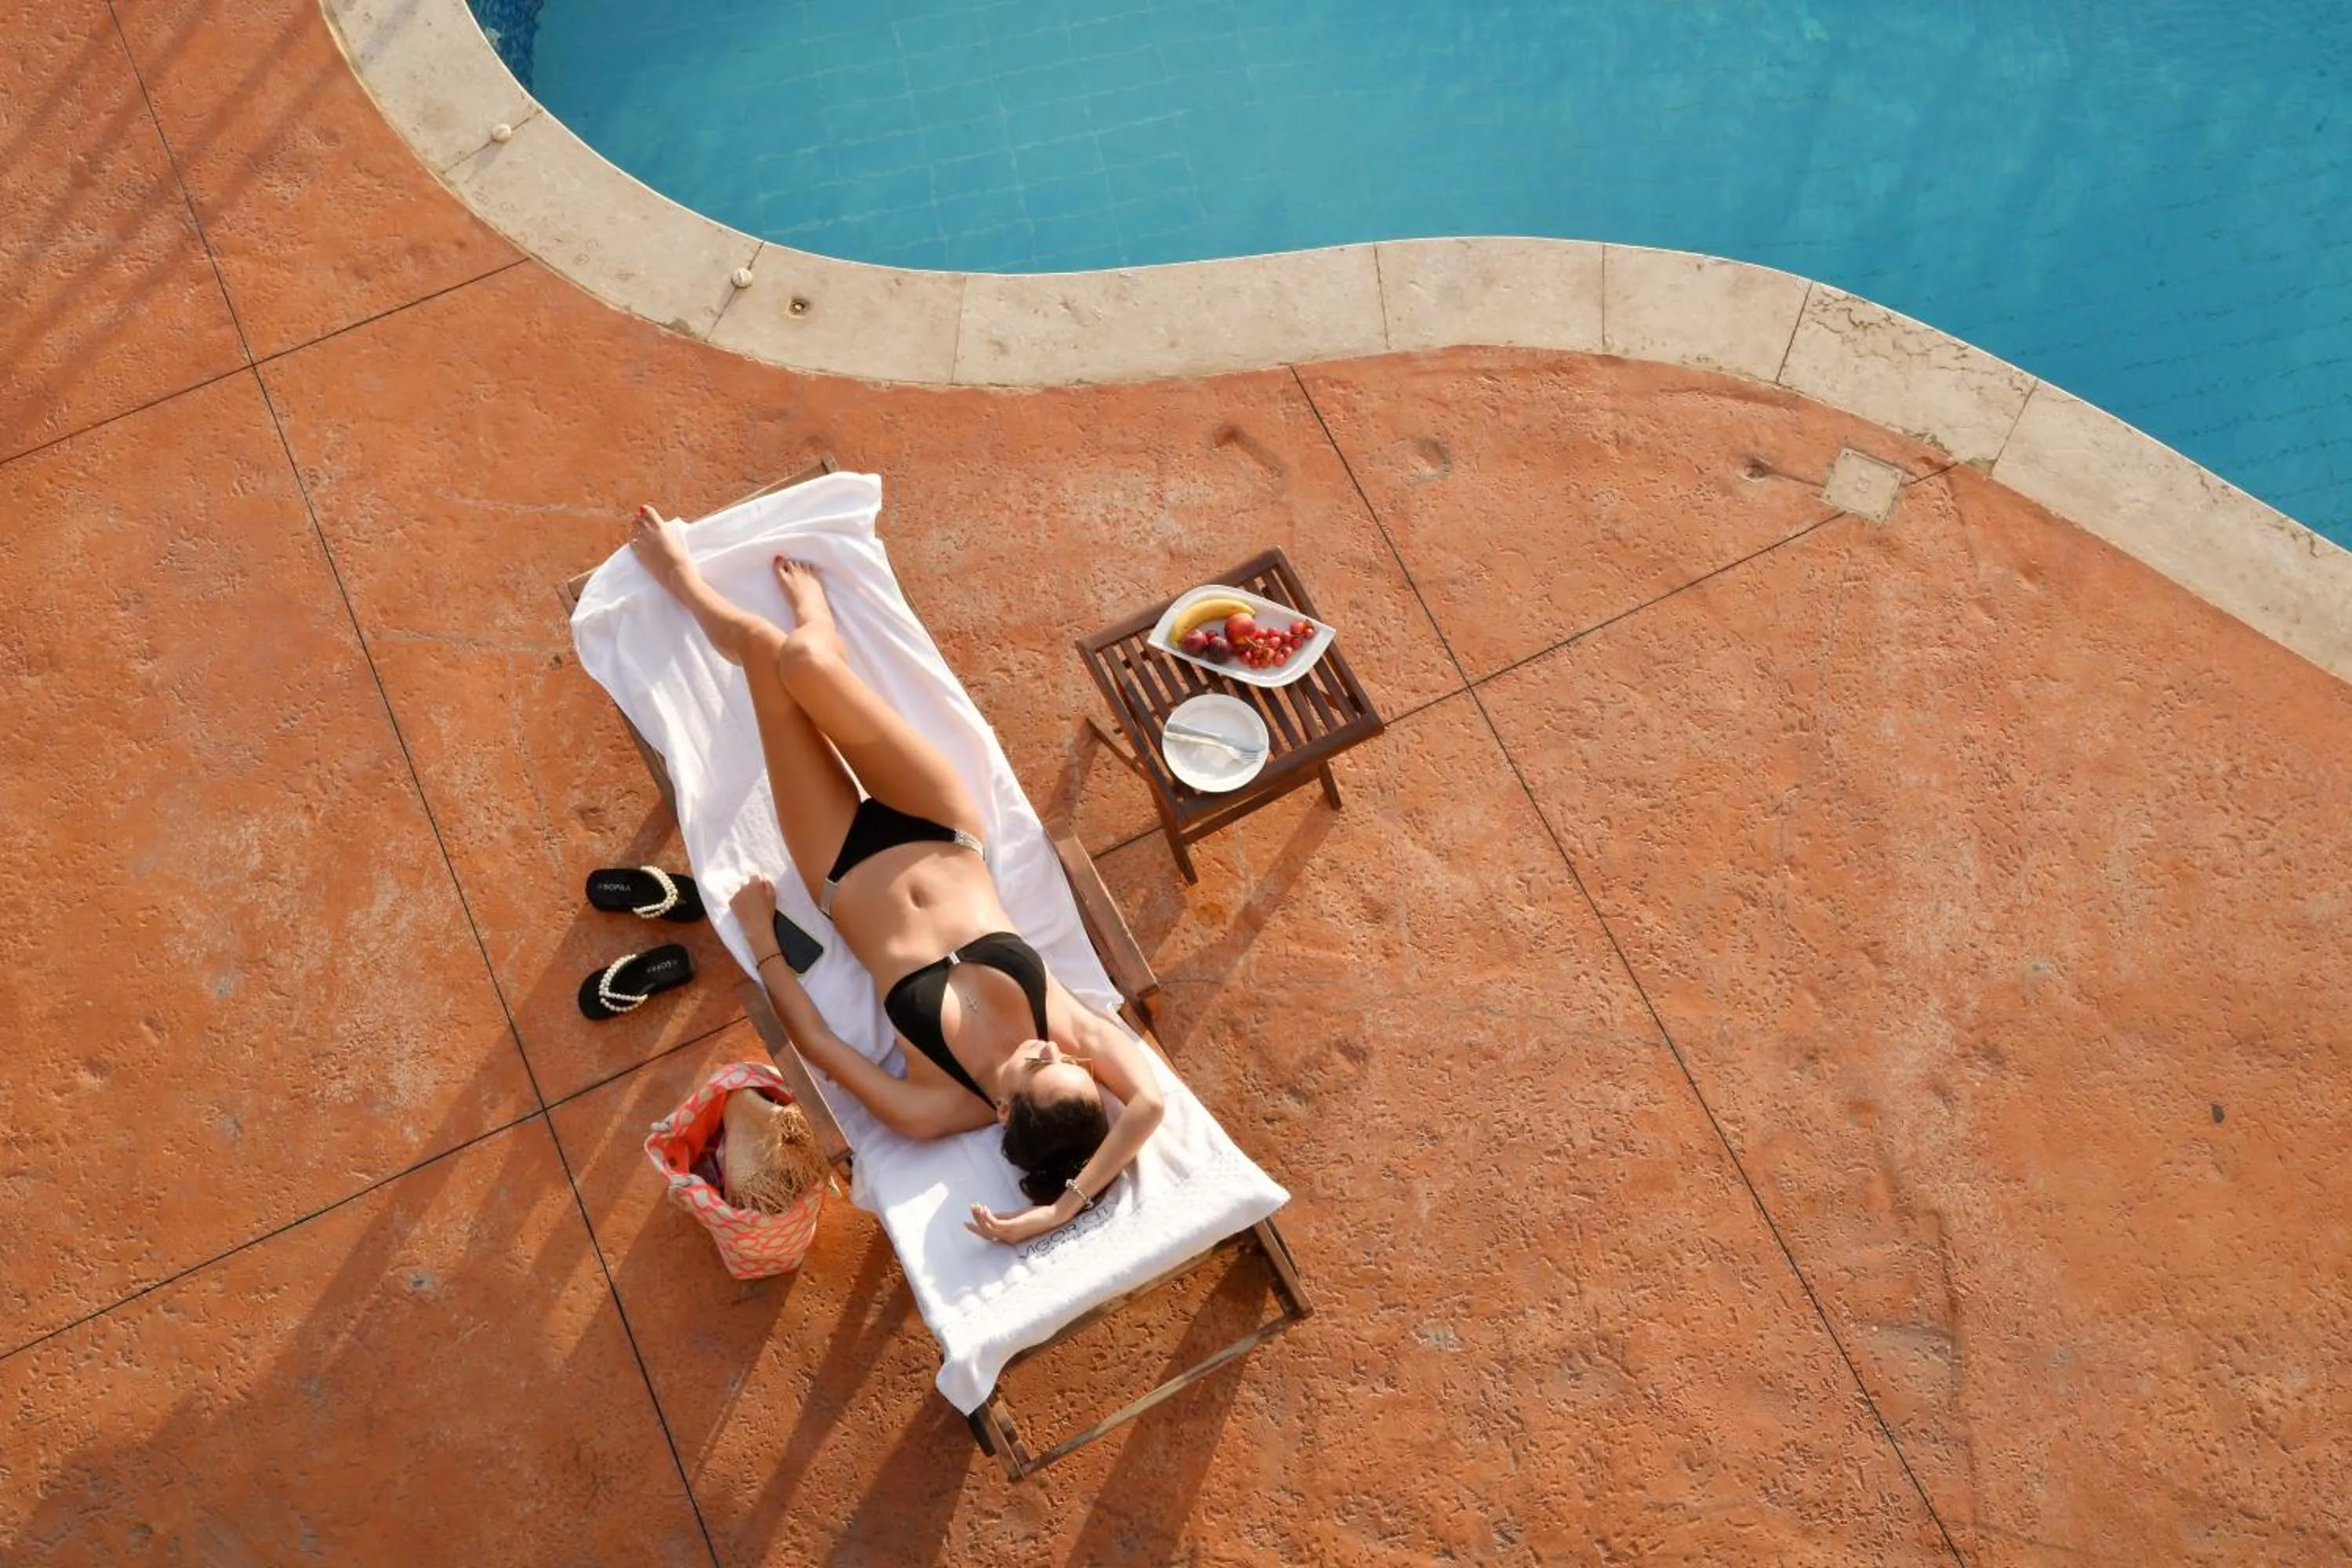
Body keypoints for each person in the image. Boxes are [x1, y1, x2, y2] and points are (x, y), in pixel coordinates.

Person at [627, 505, 1163, 1245]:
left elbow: (820, 1045)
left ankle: (681, 579)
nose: (1059, 1050)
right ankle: (821, 624)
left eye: (1041, 1068)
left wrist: (763, 939)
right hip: (940, 824)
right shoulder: (1067, 1033)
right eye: (1072, 1061)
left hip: (839, 868)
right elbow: (1149, 1108)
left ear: (1005, 1113)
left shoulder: (935, 1107)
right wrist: (1065, 1207)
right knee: (807, 663)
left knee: (759, 649)